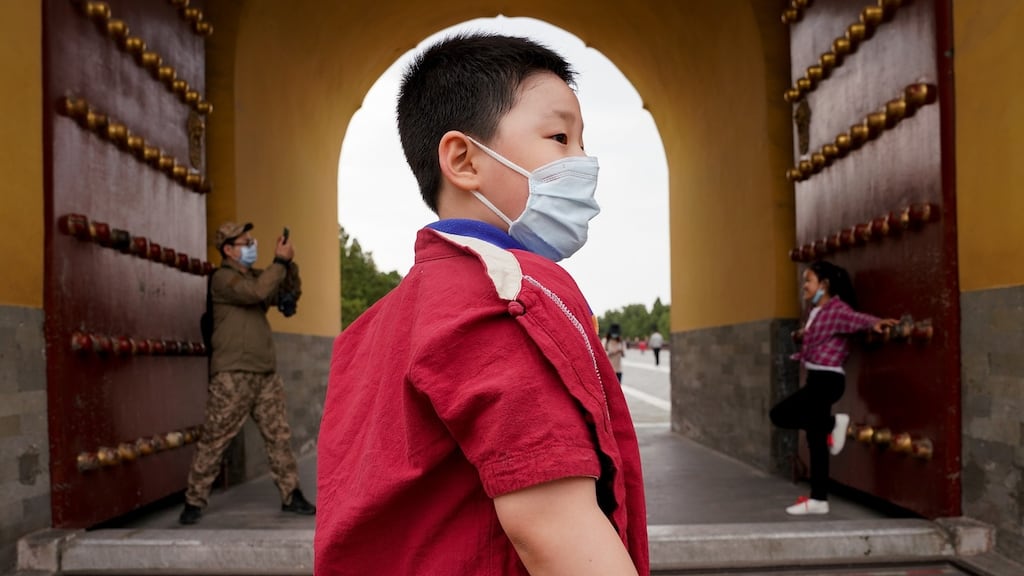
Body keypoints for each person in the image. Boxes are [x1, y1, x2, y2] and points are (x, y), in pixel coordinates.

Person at [316, 34, 648, 575]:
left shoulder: (375, 325)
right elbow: (553, 531)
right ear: (464, 160)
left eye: (583, 142)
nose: (583, 161)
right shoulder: (503, 297)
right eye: (560, 136)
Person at [179, 221, 315, 525]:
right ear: (228, 249)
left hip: (264, 373)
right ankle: (194, 499)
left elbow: (283, 293)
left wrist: (288, 265)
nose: (252, 245)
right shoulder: (223, 279)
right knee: (216, 438)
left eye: (251, 240)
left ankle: (291, 494)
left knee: (278, 437)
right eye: (245, 242)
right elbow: (256, 292)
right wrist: (278, 262)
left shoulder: (256, 276)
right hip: (232, 374)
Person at [770, 260, 897, 516]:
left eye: (808, 280)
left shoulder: (835, 309)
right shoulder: (815, 311)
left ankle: (835, 423)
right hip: (817, 380)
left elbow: (853, 319)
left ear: (824, 285)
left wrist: (874, 323)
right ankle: (819, 499)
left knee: (779, 414)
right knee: (816, 440)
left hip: (828, 380)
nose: (804, 285)